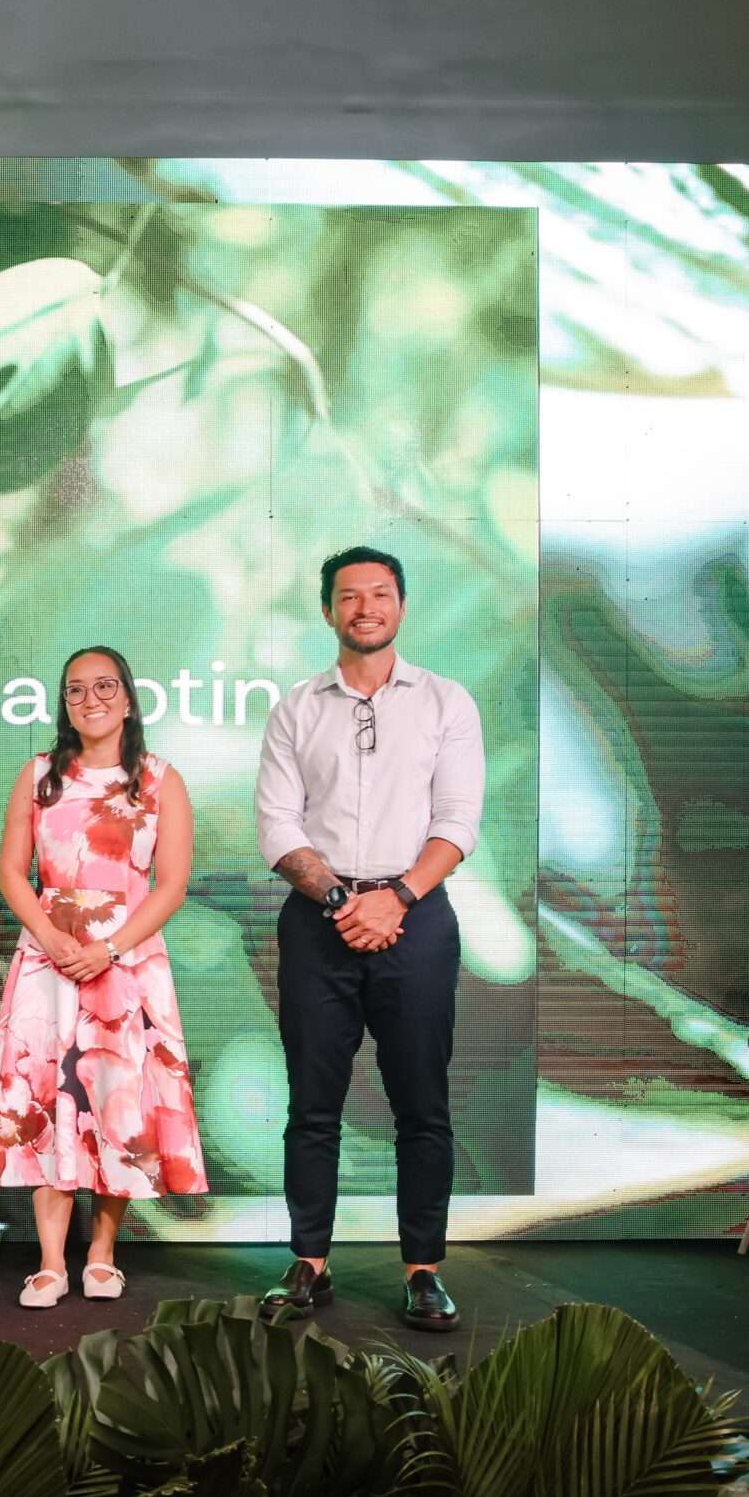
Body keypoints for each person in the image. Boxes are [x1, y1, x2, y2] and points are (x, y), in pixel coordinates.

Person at [254, 546, 485, 1332]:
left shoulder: (447, 702)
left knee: (421, 1101)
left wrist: (398, 898)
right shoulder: (296, 707)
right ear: (328, 611)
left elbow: (458, 819)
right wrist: (342, 899)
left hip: (416, 917)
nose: (365, 608)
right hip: (318, 919)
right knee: (312, 1101)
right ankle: (309, 1262)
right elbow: (277, 825)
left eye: (380, 594)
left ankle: (423, 1269)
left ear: (402, 606)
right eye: (349, 596)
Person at [0, 646, 208, 1308]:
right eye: (76, 689)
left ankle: (103, 1253)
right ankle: (51, 1262)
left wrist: (109, 948)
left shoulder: (160, 780)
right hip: (47, 956)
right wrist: (49, 936)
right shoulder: (39, 775)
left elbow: (171, 885)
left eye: (105, 686)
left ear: (129, 699)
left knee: (118, 1099)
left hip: (126, 959)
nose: (91, 699)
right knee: (46, 1098)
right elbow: (11, 872)